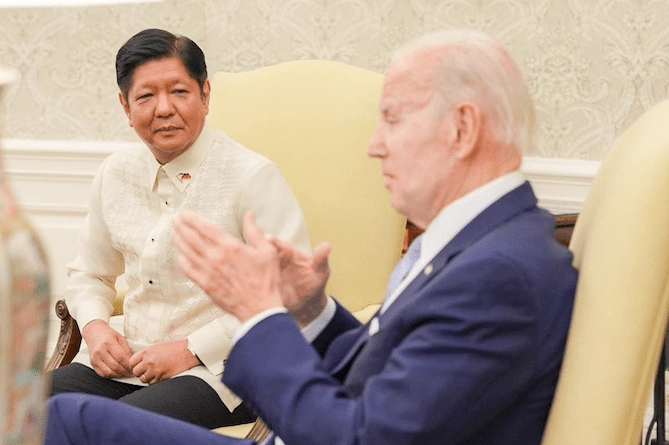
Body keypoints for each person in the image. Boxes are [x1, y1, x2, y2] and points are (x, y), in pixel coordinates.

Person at [44, 29, 578, 445]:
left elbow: (361, 436)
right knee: (45, 405)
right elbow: (377, 368)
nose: (374, 146)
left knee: (71, 420)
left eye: (391, 119)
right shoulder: (477, 246)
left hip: (243, 398)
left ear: (461, 129)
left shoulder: (497, 275)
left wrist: (260, 314)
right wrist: (310, 310)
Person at [48, 28, 311, 430]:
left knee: (113, 427)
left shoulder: (252, 177)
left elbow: (288, 297)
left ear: (206, 96)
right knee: (20, 408)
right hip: (129, 364)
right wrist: (97, 329)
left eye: (179, 92)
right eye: (146, 97)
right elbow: (90, 273)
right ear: (125, 106)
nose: (164, 109)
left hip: (224, 373)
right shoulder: (115, 173)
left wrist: (192, 349)